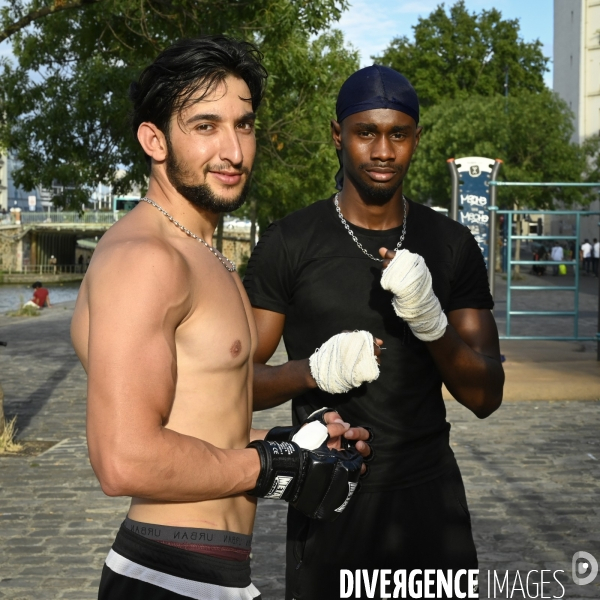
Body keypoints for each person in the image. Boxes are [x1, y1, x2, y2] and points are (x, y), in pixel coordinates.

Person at [70, 37, 370, 600]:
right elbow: (122, 457)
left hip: (212, 572)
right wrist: (270, 465)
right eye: (205, 126)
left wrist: (295, 445)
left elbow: (198, 420)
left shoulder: (202, 252)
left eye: (244, 124)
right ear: (153, 139)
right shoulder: (145, 261)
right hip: (169, 574)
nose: (233, 150)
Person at [244, 65, 505, 599]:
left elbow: (485, 395)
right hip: (330, 493)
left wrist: (431, 321)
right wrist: (311, 370)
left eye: (398, 134)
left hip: (430, 499)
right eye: (367, 133)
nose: (383, 150)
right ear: (338, 135)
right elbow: (230, 382)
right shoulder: (290, 242)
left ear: (416, 138)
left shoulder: (451, 244)